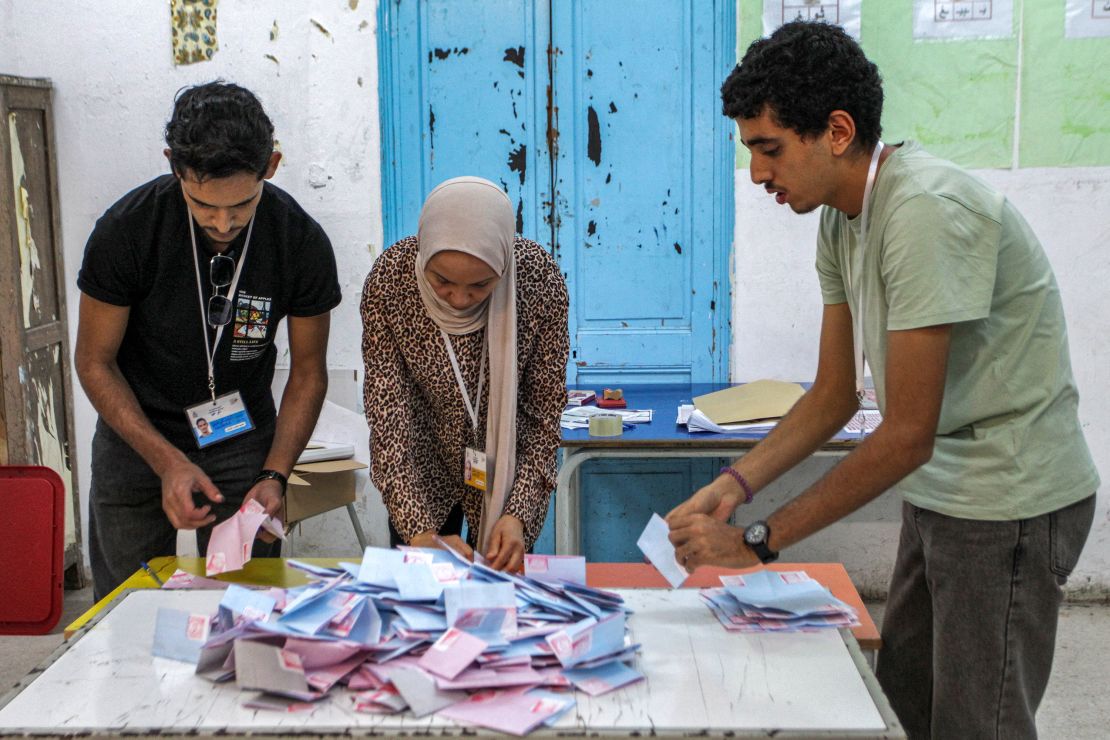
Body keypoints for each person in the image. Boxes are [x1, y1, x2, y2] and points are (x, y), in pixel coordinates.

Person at [665, 21, 1098, 739]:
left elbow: (904, 438)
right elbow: (833, 396)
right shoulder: (842, 218)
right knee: (904, 702)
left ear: (836, 130)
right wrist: (731, 487)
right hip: (946, 493)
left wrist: (761, 539)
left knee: (976, 722)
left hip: (1009, 498)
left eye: (768, 149)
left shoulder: (924, 210)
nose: (758, 175)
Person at [76, 81, 341, 601]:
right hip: (136, 433)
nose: (223, 223)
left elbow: (309, 371)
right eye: (203, 205)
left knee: (246, 602)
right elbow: (94, 362)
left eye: (241, 205)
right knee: (125, 603)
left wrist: (277, 475)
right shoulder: (126, 231)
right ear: (174, 165)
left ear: (272, 165)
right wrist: (166, 461)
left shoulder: (300, 242)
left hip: (241, 437)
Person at [361, 176, 569, 572]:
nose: (458, 298)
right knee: (424, 602)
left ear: (503, 264)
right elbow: (389, 418)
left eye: (480, 285)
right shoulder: (391, 281)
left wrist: (518, 514)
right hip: (420, 470)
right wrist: (418, 531)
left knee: (495, 606)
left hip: (505, 471)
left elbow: (543, 415)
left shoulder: (537, 281)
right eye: (442, 281)